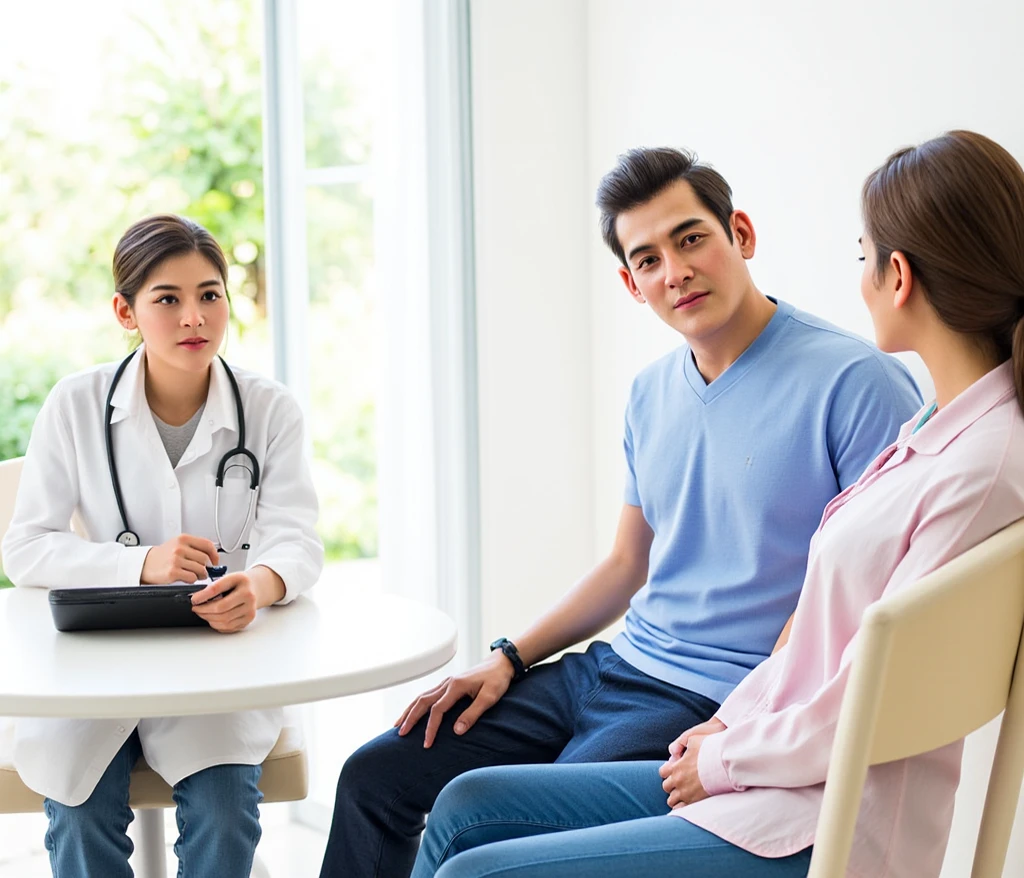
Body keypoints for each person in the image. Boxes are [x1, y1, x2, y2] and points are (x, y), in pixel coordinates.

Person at [408, 129, 1024, 878]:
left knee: (473, 868)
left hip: (812, 818)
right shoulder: (937, 432)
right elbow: (804, 641)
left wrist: (727, 752)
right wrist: (728, 730)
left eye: (862, 257)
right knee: (466, 802)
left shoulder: (978, 462)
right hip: (762, 760)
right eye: (646, 259)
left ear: (896, 275)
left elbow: (877, 692)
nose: (858, 277)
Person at [1, 214, 324, 878]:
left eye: (210, 294)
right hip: (95, 665)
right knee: (81, 810)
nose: (193, 317)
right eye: (167, 299)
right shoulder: (74, 405)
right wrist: (137, 564)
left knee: (227, 811)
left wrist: (259, 584)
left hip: (215, 661)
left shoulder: (270, 410)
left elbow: (296, 539)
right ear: (126, 311)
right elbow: (27, 547)